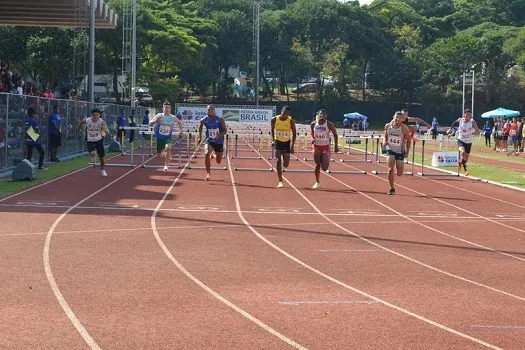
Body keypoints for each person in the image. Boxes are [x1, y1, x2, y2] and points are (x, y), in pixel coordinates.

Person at [149, 102, 183, 171]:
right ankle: (166, 154)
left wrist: (181, 131)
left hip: (168, 137)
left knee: (168, 148)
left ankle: (166, 166)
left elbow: (179, 123)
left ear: (170, 109)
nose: (167, 109)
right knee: (160, 155)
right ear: (163, 108)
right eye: (165, 107)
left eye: (168, 107)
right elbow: (150, 124)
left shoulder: (173, 117)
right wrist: (155, 121)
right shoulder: (159, 115)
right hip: (159, 138)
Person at [384, 111, 411, 195]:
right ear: (393, 116)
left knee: (399, 173)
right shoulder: (388, 126)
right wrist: (385, 142)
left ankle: (397, 166)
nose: (398, 119)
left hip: (400, 151)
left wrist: (407, 151)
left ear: (402, 119)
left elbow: (409, 140)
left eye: (400, 118)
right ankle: (392, 188)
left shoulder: (404, 128)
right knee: (390, 169)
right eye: (396, 117)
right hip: (390, 149)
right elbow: (385, 135)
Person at [447, 108, 480, 176]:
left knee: (466, 159)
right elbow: (454, 123)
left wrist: (473, 133)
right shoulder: (460, 120)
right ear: (464, 115)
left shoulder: (472, 122)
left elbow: (477, 130)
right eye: (467, 115)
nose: (468, 117)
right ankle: (465, 170)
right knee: (462, 152)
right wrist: (450, 129)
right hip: (461, 140)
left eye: (469, 115)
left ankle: (460, 163)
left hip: (469, 142)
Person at [197, 105, 227, 181]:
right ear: (207, 111)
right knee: (207, 153)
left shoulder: (220, 119)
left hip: (219, 141)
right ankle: (208, 173)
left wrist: (219, 135)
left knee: (218, 161)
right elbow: (200, 127)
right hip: (209, 140)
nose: (210, 111)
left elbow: (225, 131)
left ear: (214, 111)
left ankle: (213, 155)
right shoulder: (203, 120)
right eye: (208, 110)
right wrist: (199, 137)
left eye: (211, 110)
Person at [310, 109, 338, 189]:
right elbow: (311, 133)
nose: (322, 115)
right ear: (318, 115)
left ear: (326, 115)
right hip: (316, 146)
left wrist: (336, 146)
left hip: (325, 146)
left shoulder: (329, 124)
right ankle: (317, 182)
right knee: (317, 164)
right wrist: (312, 139)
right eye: (320, 114)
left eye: (324, 114)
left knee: (325, 168)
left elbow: (335, 135)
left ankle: (327, 155)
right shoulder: (313, 124)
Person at [271, 106, 296, 188]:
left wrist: (292, 146)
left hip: (286, 143)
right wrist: (273, 140)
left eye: (287, 113)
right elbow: (272, 130)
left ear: (288, 114)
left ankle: (284, 160)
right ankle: (280, 181)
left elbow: (294, 133)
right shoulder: (274, 119)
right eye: (284, 112)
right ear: (281, 111)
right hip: (278, 142)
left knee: (286, 165)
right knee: (278, 161)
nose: (285, 114)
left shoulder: (290, 121)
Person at [83, 108, 111, 177]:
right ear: (91, 115)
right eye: (94, 115)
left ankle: (102, 170)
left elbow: (107, 131)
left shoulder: (102, 122)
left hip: (99, 140)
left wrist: (106, 131)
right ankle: (94, 155)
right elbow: (81, 122)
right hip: (90, 140)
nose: (95, 116)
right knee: (93, 153)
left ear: (99, 115)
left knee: (102, 159)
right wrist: (79, 128)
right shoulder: (87, 120)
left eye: (97, 115)